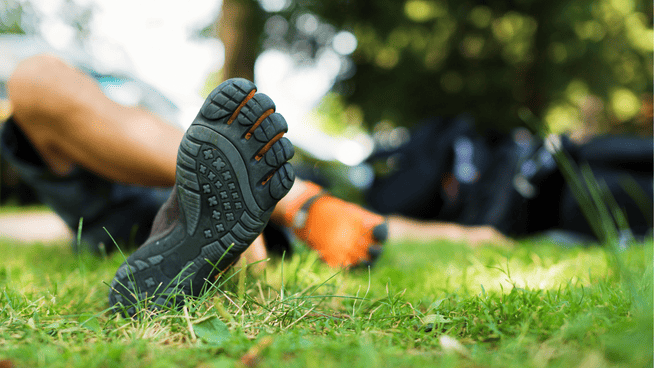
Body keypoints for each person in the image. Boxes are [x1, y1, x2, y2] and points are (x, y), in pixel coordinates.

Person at [1, 54, 511, 315]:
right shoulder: (86, 90)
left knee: (346, 225)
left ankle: (261, 215)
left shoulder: (154, 100)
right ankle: (286, 206)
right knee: (33, 77)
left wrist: (466, 235)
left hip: (197, 200)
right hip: (126, 187)